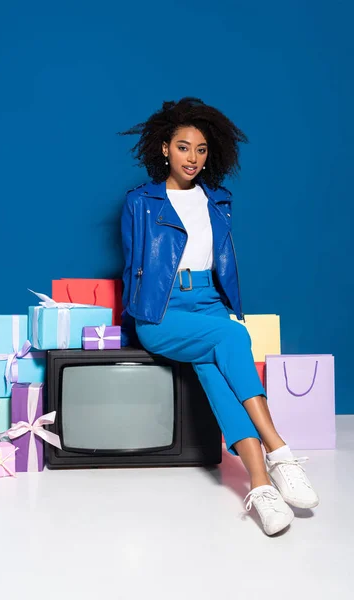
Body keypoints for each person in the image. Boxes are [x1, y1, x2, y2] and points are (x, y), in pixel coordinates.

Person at [118, 97, 319, 536]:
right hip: (163, 313)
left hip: (207, 302)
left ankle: (262, 487)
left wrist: (220, 304)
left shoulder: (218, 201)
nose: (193, 158)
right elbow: (134, 268)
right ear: (164, 149)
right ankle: (280, 450)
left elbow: (221, 261)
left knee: (216, 372)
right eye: (184, 147)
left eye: (202, 149)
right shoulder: (141, 202)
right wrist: (135, 318)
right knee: (231, 338)